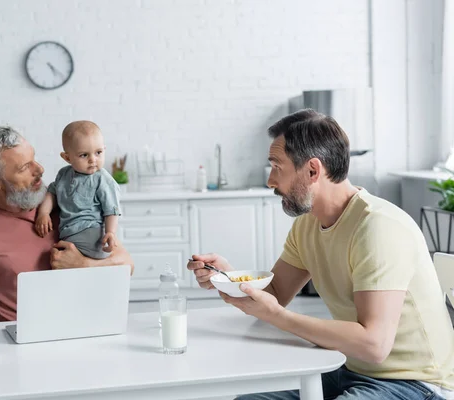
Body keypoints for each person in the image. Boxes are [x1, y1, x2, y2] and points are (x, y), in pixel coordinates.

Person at [188, 109, 454, 400]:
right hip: (348, 369)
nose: (271, 182)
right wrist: (228, 277)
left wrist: (279, 316)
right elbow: (276, 293)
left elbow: (375, 346)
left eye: (277, 167)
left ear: (313, 170)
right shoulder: (307, 224)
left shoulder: (378, 227)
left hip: (415, 383)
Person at [0, 124, 133, 324]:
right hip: (24, 348)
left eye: (33, 159)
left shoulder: (67, 201)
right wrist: (16, 336)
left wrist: (84, 264)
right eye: (23, 167)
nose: (40, 169)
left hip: (88, 329)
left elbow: (127, 264)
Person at [35, 121, 120, 259]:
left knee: (64, 259)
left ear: (104, 149)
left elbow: (112, 209)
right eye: (84, 155)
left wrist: (111, 232)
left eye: (98, 152)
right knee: (59, 261)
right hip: (68, 233)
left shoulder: (103, 179)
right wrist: (43, 213)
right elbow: (52, 193)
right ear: (67, 157)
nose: (93, 159)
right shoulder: (63, 174)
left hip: (92, 232)